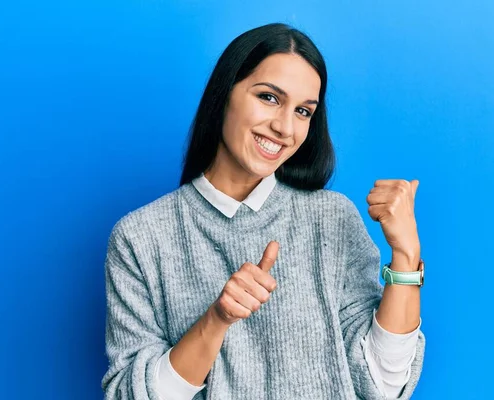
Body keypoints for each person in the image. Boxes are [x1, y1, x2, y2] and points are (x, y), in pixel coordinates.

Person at [101, 22, 425, 400]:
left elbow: (382, 385)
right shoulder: (140, 237)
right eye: (269, 97)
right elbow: (127, 395)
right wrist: (216, 320)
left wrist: (405, 257)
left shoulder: (332, 219)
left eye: (304, 111)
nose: (285, 127)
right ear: (224, 94)